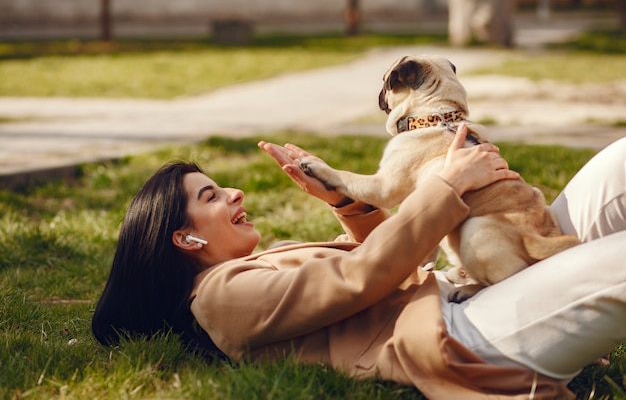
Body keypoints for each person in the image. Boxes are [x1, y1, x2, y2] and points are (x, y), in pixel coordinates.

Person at [92, 124, 626, 400]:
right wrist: (447, 183)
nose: (232, 192)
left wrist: (342, 200)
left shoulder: (267, 260)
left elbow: (381, 257)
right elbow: (361, 278)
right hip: (466, 333)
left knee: (617, 163)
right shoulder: (218, 299)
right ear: (184, 240)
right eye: (210, 197)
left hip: (484, 272)